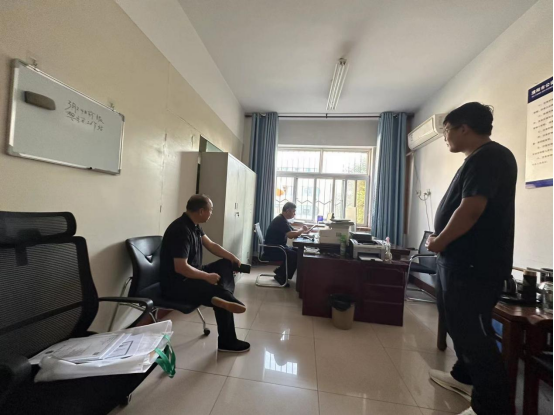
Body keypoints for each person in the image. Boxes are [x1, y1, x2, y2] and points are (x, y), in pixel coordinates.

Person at [426, 102, 516, 415]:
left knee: (474, 334)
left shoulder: (490, 156)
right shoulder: (477, 158)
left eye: (447, 131)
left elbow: (471, 209)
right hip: (459, 261)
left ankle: (490, 407)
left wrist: (440, 241)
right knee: (457, 324)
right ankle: (464, 377)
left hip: (474, 264)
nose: (445, 137)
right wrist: (441, 242)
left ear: (463, 128)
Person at [160, 194, 250, 353]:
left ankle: (224, 295)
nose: (211, 213)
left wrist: (232, 257)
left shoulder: (194, 225)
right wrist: (207, 277)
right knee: (220, 296)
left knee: (225, 264)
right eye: (211, 210)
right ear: (201, 211)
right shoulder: (181, 230)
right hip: (177, 283)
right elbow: (181, 268)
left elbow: (212, 245)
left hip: (192, 274)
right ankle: (227, 340)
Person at [263, 202, 309, 286]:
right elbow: (291, 235)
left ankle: (280, 273)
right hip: (273, 249)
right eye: (293, 211)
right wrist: (302, 230)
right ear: (287, 211)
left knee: (298, 251)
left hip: (279, 247)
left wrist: (302, 231)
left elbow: (293, 231)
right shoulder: (280, 220)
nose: (294, 214)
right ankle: (281, 276)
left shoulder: (283, 219)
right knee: (294, 255)